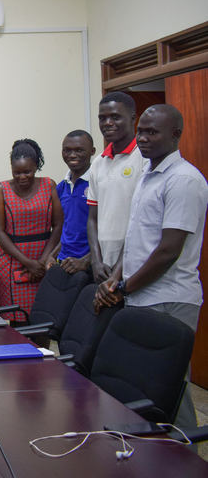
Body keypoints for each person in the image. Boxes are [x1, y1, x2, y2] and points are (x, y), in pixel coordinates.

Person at [95, 104, 208, 433]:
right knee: (145, 383)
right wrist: (116, 278)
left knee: (170, 386)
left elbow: (167, 252)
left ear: (175, 135)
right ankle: (157, 450)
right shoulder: (148, 174)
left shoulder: (185, 180)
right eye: (141, 130)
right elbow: (135, 239)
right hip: (143, 293)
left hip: (170, 296)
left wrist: (122, 288)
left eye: (152, 132)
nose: (142, 138)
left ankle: (183, 451)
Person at [0, 139, 63, 322]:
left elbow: (59, 226)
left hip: (44, 261)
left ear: (36, 167)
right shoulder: (1, 190)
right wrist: (28, 263)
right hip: (12, 262)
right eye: (17, 172)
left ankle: (43, 352)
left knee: (45, 318)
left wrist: (42, 261)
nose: (22, 177)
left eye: (27, 172)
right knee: (18, 321)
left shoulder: (49, 185)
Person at [87, 92, 146, 283]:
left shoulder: (145, 158)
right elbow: (92, 218)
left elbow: (141, 221)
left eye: (115, 117)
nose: (107, 123)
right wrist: (95, 261)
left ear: (132, 119)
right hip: (103, 267)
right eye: (102, 118)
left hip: (136, 266)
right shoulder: (98, 163)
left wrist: (118, 272)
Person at [43, 130, 96, 285]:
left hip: (91, 266)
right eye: (67, 150)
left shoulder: (98, 182)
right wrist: (52, 255)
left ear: (92, 151)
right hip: (65, 263)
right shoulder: (61, 187)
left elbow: (110, 231)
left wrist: (86, 261)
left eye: (79, 150)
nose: (72, 155)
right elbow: (67, 228)